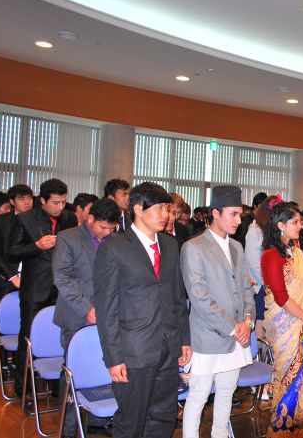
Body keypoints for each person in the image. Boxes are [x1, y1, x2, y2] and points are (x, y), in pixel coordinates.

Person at [93, 182, 191, 438]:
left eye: (167, 209)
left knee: (164, 416)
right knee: (131, 421)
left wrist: (184, 339)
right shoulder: (114, 248)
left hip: (168, 347)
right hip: (133, 351)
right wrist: (114, 358)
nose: (166, 215)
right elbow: (106, 310)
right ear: (138, 209)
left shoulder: (170, 245)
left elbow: (177, 297)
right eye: (159, 208)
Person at [180, 185, 255, 438]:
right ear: (215, 213)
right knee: (198, 396)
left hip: (238, 335)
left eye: (240, 214)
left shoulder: (237, 247)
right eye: (233, 214)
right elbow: (199, 297)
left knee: (226, 392)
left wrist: (248, 321)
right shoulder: (194, 247)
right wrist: (234, 328)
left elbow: (246, 289)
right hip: (209, 336)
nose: (238, 220)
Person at [52, 198, 119, 436]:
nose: (107, 233)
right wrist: (86, 308)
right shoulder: (68, 238)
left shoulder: (115, 240)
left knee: (104, 368)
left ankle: (98, 421)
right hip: (76, 317)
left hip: (109, 317)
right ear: (90, 218)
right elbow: (62, 278)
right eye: (103, 227)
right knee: (74, 373)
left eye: (111, 228)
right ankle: (69, 428)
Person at [9, 178, 77, 396]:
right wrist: (36, 246)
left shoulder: (69, 218)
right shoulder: (25, 219)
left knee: (60, 338)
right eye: (56, 202)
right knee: (28, 338)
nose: (60, 207)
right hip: (35, 289)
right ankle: (23, 388)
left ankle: (58, 387)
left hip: (62, 289)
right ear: (43, 200)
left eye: (63, 202)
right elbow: (12, 252)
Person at [260, 200, 303, 437]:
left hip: (300, 323)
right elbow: (281, 297)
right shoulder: (270, 256)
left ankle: (301, 430)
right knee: (289, 377)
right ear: (280, 225)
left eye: (300, 222)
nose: (300, 226)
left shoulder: (298, 253)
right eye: (295, 222)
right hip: (283, 327)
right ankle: (283, 430)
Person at [0, 185, 33, 305]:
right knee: (6, 315)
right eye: (22, 199)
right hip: (6, 280)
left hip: (32, 281)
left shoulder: (38, 220)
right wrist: (12, 277)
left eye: (29, 198)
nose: (27, 202)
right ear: (12, 202)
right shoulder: (0, 221)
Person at [245, 194, 279, 340]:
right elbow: (254, 264)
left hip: (270, 286)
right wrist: (269, 284)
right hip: (261, 286)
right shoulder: (254, 231)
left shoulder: (269, 231)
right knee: (260, 326)